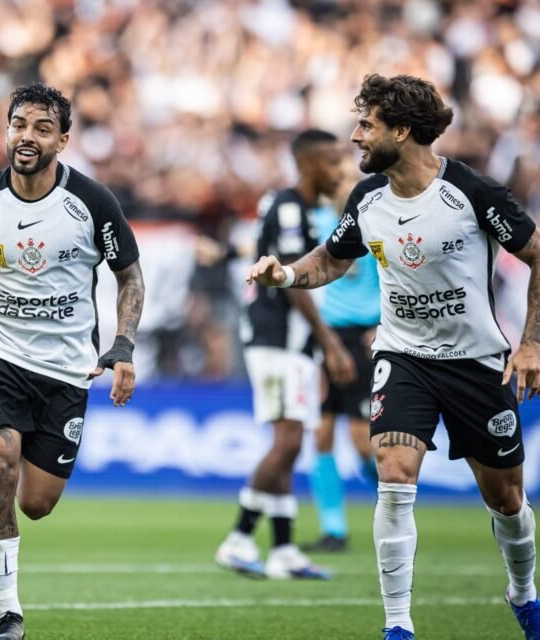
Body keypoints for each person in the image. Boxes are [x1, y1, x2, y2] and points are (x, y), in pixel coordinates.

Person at [248, 73, 540, 640]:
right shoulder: (368, 198)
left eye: (366, 125)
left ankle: (524, 593)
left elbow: (536, 254)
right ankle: (398, 626)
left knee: (506, 499)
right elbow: (332, 259)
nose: (355, 136)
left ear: (401, 131)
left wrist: (531, 343)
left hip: (476, 362)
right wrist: (284, 274)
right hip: (403, 357)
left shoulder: (472, 192)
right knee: (394, 474)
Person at [0, 83, 144, 640]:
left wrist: (123, 345)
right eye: (19, 124)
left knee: (36, 503)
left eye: (43, 128)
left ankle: (8, 543)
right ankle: (8, 615)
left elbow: (130, 278)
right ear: (7, 130)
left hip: (66, 367)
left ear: (63, 140)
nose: (27, 136)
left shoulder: (92, 203)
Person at [215, 129, 356, 580]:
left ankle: (283, 550)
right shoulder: (291, 207)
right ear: (309, 164)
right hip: (278, 338)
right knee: (289, 441)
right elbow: (292, 283)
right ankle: (238, 539)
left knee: (290, 444)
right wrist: (330, 342)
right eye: (333, 162)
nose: (341, 171)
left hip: (289, 342)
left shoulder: (294, 207)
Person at [303, 163, 382, 553]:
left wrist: (383, 322)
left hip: (362, 336)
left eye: (349, 183)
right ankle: (333, 530)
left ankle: (394, 500)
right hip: (326, 334)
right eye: (338, 183)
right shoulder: (318, 221)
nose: (343, 189)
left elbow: (392, 273)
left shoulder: (374, 223)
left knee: (361, 442)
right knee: (320, 434)